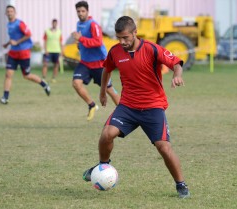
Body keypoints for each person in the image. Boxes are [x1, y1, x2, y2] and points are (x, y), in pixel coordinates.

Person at [82, 16, 190, 198]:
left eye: (126, 37)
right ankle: (102, 165)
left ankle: (181, 184)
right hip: (128, 107)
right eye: (119, 38)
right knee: (106, 134)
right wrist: (102, 92)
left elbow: (176, 63)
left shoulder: (151, 49)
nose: (122, 42)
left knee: (163, 147)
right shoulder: (115, 51)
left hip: (153, 107)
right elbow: (106, 69)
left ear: (135, 33)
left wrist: (176, 75)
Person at [72, 1, 120, 121]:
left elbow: (98, 42)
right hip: (85, 62)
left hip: (99, 63)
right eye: (78, 11)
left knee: (109, 90)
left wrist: (81, 39)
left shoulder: (93, 24)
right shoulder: (78, 24)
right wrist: (79, 45)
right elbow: (83, 41)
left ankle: (126, 114)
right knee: (76, 83)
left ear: (88, 11)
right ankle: (92, 105)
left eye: (83, 11)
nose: (80, 13)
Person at [0, 5, 50, 105]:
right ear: (5, 13)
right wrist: (7, 44)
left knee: (27, 76)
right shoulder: (9, 24)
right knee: (8, 74)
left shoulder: (20, 23)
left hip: (23, 53)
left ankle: (44, 84)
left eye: (11, 11)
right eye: (8, 11)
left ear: (15, 13)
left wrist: (17, 42)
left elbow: (29, 34)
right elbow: (13, 38)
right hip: (13, 53)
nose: (9, 13)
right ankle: (5, 98)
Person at [42, 19, 63, 83]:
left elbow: (60, 41)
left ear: (57, 24)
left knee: (56, 65)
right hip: (49, 50)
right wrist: (45, 49)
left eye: (56, 23)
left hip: (57, 50)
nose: (54, 24)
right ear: (52, 23)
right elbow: (45, 41)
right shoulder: (47, 31)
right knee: (45, 64)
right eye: (53, 23)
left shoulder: (59, 31)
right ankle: (44, 78)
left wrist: (62, 50)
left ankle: (53, 78)